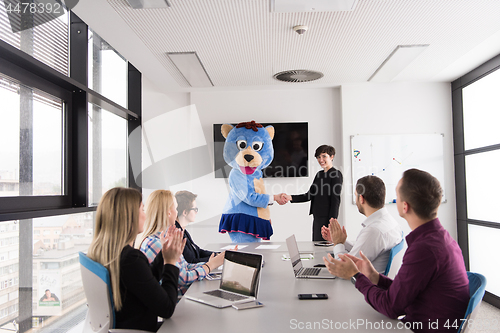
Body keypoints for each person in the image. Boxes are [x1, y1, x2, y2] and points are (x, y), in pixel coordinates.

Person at [323, 169, 469, 333]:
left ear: (404, 206)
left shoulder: (425, 249)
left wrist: (356, 276)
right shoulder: (439, 238)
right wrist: (375, 277)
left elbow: (391, 307)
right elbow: (404, 290)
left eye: (397, 195)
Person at [87, 187, 183, 332]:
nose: (145, 215)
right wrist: (170, 263)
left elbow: (143, 282)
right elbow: (167, 308)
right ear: (129, 216)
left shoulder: (103, 252)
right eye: (142, 210)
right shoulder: (130, 259)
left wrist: (164, 255)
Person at [140, 190, 225, 296]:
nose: (177, 213)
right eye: (176, 208)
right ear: (169, 212)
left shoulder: (165, 237)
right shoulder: (155, 243)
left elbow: (185, 266)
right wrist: (210, 265)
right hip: (178, 301)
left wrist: (213, 262)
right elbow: (183, 278)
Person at [321, 175, 402, 273]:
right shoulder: (389, 222)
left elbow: (343, 269)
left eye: (356, 195)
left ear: (361, 199)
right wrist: (341, 241)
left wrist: (338, 244)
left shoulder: (374, 231)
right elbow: (365, 250)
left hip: (361, 286)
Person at [280, 145, 343, 241]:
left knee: (325, 248)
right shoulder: (319, 175)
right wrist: (290, 197)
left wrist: (332, 222)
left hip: (327, 219)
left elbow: (335, 199)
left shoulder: (336, 175)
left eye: (324, 156)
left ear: (331, 156)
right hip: (317, 217)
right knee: (317, 245)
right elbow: (309, 195)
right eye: (318, 157)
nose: (321, 160)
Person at [175, 190, 216, 263]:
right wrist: (216, 260)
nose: (196, 212)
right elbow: (191, 261)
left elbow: (198, 252)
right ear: (185, 212)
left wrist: (219, 255)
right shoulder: (176, 234)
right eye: (195, 209)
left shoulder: (183, 230)